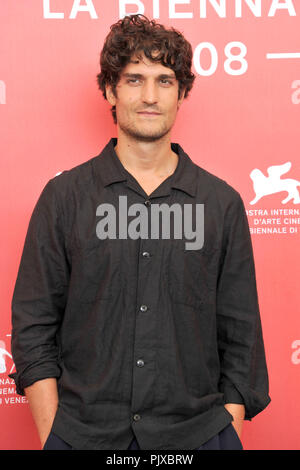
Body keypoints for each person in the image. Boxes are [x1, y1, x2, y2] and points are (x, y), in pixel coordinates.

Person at [10, 14, 271, 451]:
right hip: (82, 436)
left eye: (165, 81)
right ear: (111, 90)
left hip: (198, 437)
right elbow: (33, 324)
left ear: (182, 92)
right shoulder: (65, 197)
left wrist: (226, 430)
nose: (149, 96)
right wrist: (53, 432)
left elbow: (241, 334)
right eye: (134, 79)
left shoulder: (220, 204)